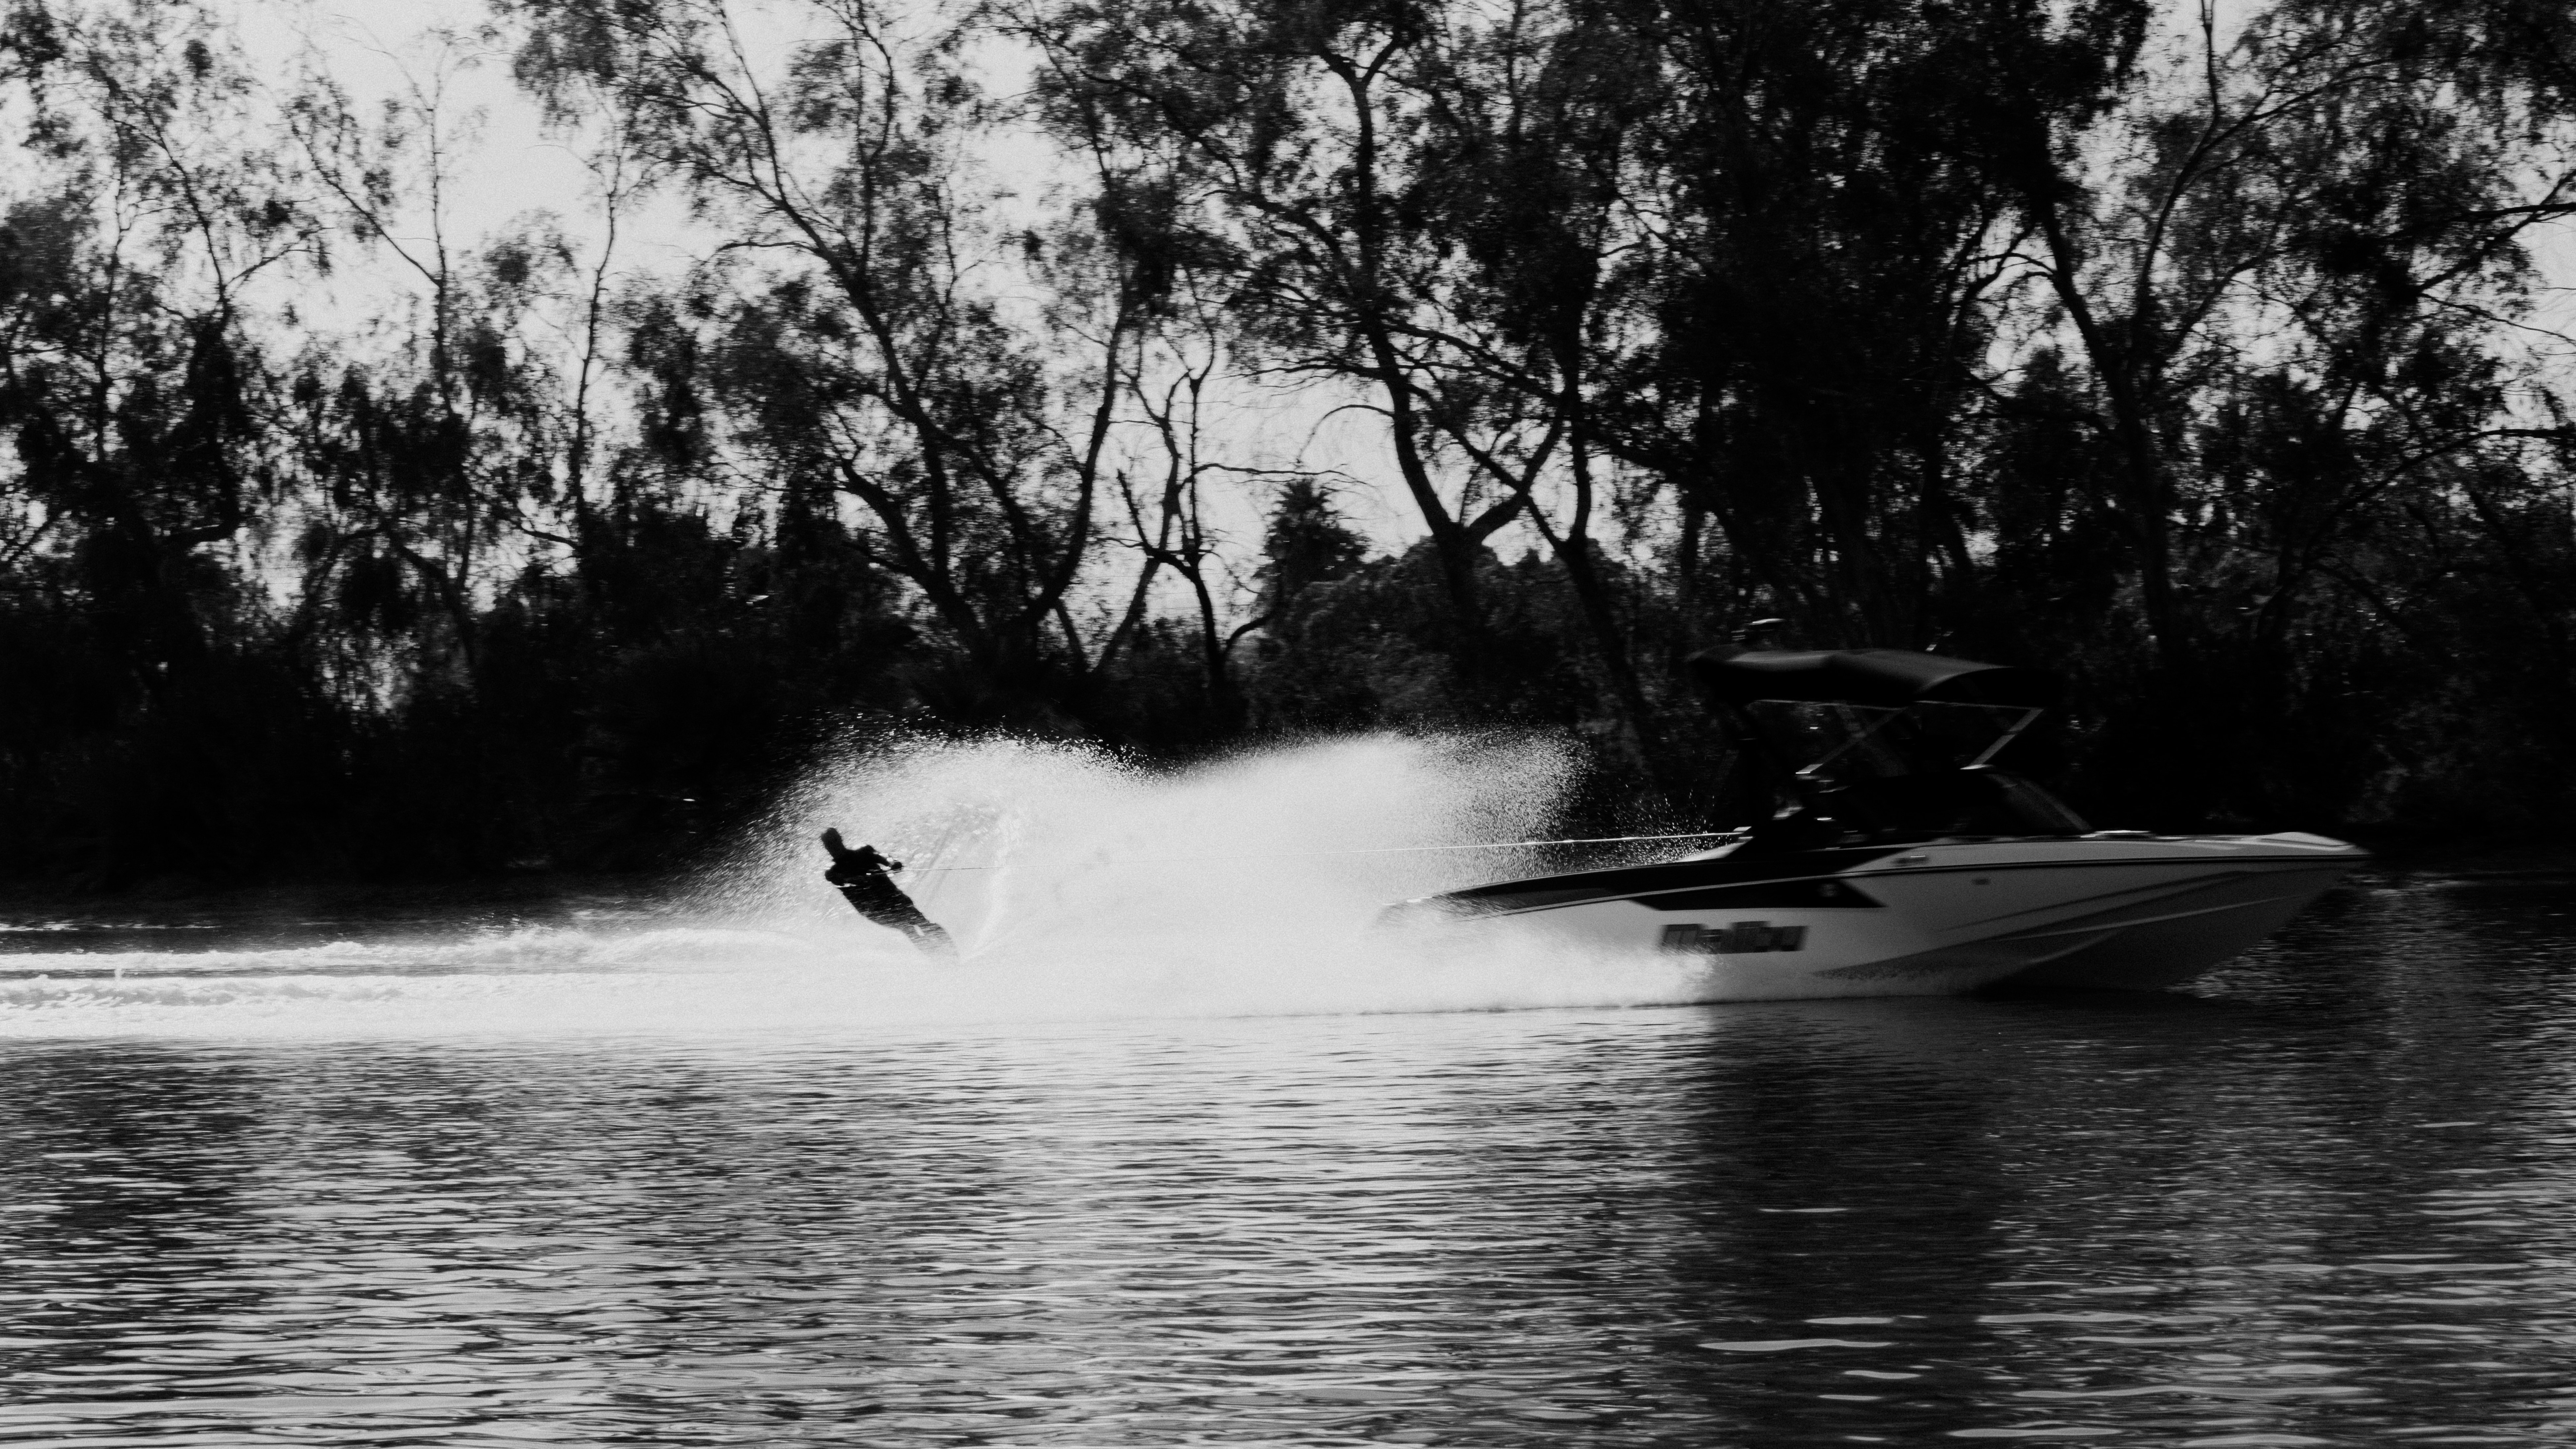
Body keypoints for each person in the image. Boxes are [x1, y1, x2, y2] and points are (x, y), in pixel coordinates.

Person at [819, 827, 957, 959]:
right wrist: (858, 880)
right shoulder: (832, 872)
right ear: (826, 848)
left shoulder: (863, 852)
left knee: (922, 922)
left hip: (894, 898)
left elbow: (883, 857)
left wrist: (893, 864)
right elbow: (843, 882)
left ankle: (950, 951)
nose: (833, 847)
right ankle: (939, 958)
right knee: (908, 929)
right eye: (829, 845)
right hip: (875, 911)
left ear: (840, 839)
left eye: (834, 842)